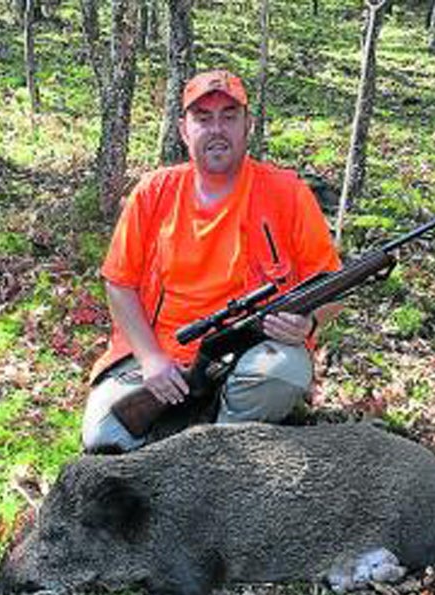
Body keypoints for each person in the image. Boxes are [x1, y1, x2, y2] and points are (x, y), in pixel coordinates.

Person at [82, 69, 342, 453]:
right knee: (104, 436)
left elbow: (331, 285)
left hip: (252, 352)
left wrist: (310, 321)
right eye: (203, 119)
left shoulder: (288, 192)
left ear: (247, 125)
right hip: (162, 354)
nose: (216, 129)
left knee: (284, 374)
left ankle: (213, 452)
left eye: (229, 117)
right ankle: (206, 419)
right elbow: (118, 284)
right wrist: (152, 359)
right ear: (184, 129)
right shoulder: (154, 192)